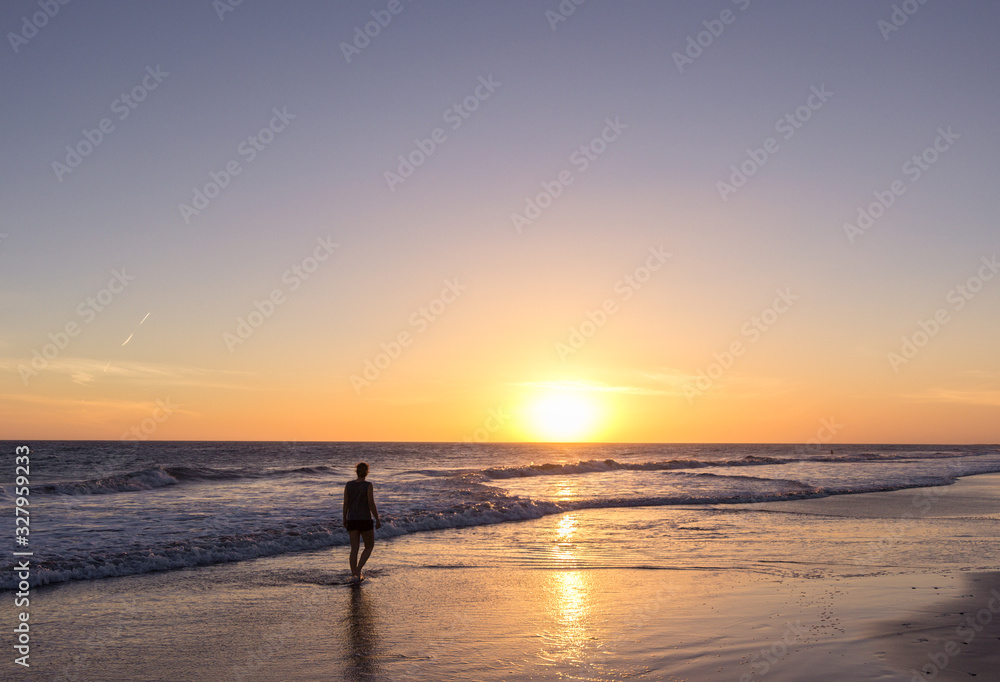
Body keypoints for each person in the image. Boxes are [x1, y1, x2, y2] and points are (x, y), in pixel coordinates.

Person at [343, 462, 381, 582]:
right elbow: (371, 504)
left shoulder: (348, 485)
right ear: (367, 472)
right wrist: (377, 518)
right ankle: (358, 570)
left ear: (356, 471)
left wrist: (344, 518)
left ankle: (354, 574)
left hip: (352, 519)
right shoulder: (368, 485)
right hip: (365, 519)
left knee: (354, 548)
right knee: (369, 546)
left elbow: (346, 504)